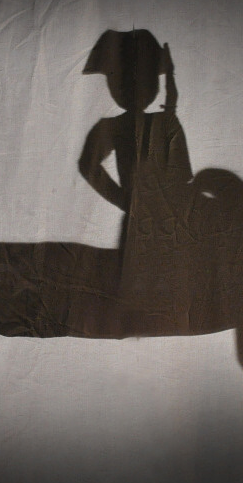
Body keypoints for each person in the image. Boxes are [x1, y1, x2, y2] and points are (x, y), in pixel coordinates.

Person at [78, 30, 193, 297]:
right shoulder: (119, 127)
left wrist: (126, 200)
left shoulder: (157, 123)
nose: (134, 88)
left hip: (163, 225)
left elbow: (87, 165)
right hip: (150, 225)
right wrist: (125, 200)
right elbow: (88, 165)